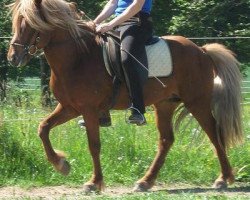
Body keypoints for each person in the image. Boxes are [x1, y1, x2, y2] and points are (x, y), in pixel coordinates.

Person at [94, 0, 153, 126]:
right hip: (118, 24)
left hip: (137, 23)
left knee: (127, 58)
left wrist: (109, 25)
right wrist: (95, 22)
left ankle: (138, 110)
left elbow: (136, 6)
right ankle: (102, 111)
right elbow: (112, 4)